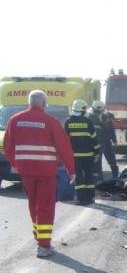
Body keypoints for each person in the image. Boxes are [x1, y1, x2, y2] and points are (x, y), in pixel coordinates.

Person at [3, 90, 76, 258]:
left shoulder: (15, 120)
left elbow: (7, 146)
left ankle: (39, 237)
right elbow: (64, 148)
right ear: (44, 103)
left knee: (33, 204)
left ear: (29, 102)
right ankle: (44, 246)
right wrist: (71, 170)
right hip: (46, 172)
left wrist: (15, 164)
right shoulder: (51, 121)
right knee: (45, 206)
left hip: (26, 172)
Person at [65, 99, 98, 204]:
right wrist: (96, 152)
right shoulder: (88, 121)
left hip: (74, 155)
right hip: (88, 155)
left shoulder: (68, 122)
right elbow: (94, 138)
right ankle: (90, 197)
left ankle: (81, 198)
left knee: (78, 176)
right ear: (83, 110)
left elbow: (65, 140)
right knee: (89, 175)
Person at [88, 100, 118, 179]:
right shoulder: (106, 117)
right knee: (111, 159)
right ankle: (116, 176)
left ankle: (99, 179)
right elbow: (111, 129)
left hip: (95, 142)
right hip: (106, 141)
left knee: (98, 161)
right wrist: (114, 140)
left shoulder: (89, 117)